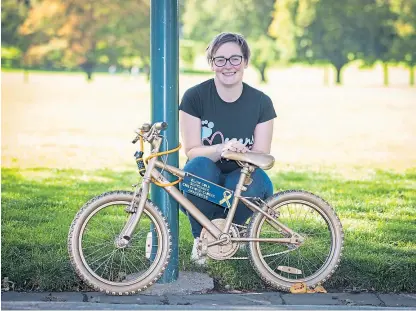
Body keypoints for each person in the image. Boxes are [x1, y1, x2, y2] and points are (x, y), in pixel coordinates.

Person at [179, 32, 276, 264]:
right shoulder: (194, 97)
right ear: (212, 64)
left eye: (235, 58)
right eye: (220, 59)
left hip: (243, 176)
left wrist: (242, 153)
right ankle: (201, 240)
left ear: (245, 62)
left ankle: (234, 237)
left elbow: (262, 154)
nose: (228, 66)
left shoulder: (262, 102)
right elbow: (192, 150)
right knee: (197, 167)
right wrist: (223, 148)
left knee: (245, 182)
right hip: (206, 173)